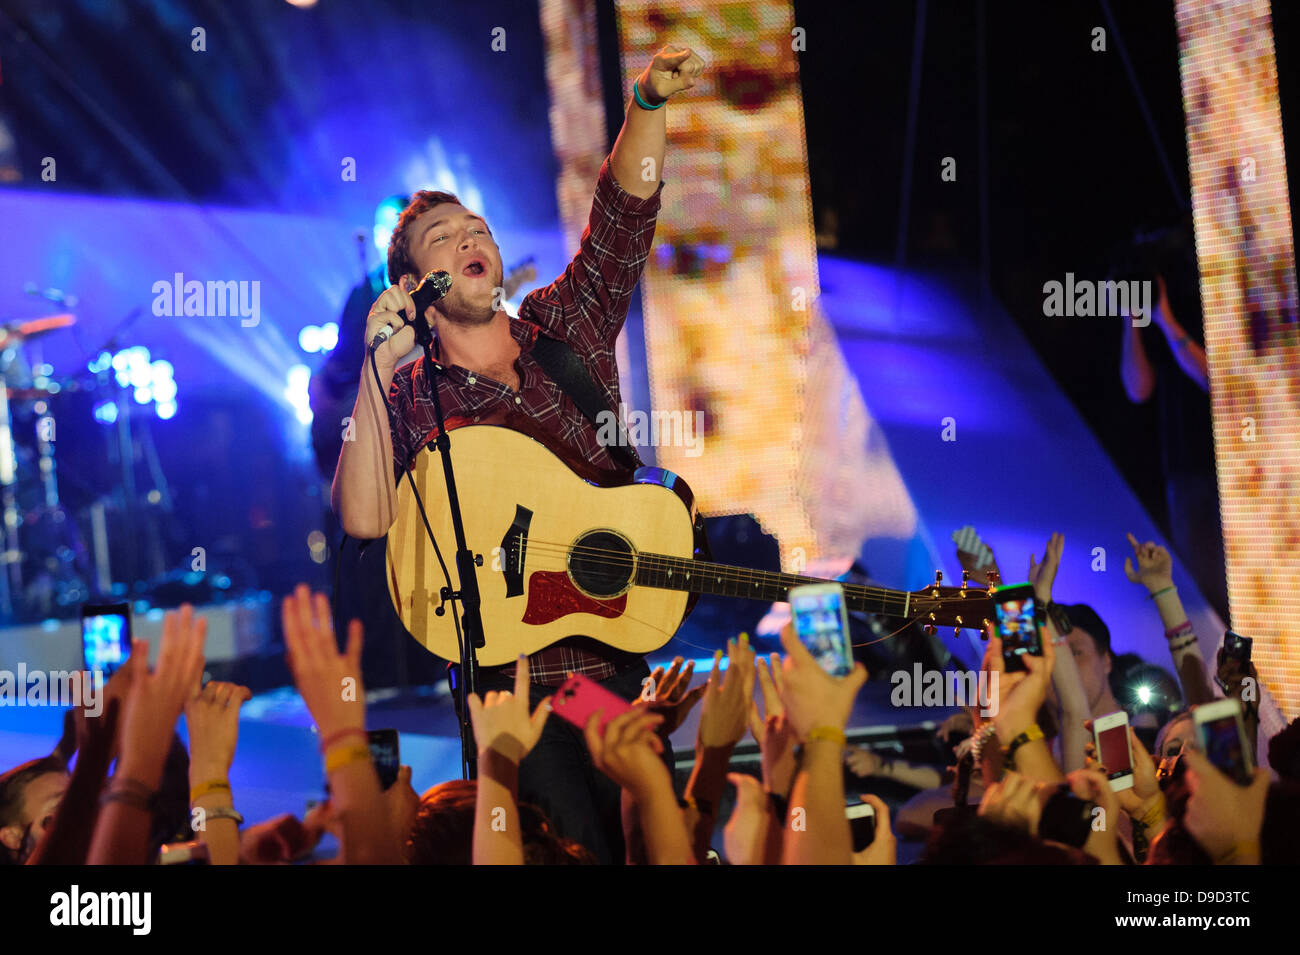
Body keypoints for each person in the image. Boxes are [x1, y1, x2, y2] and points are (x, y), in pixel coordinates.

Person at [331, 44, 706, 864]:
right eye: (442, 236)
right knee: (560, 854)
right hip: (508, 691)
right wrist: (377, 364)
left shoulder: (563, 330)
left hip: (605, 663)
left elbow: (622, 215)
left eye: (478, 229)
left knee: (650, 843)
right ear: (413, 286)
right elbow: (362, 515)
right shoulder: (412, 393)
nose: (470, 237)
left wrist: (645, 100)